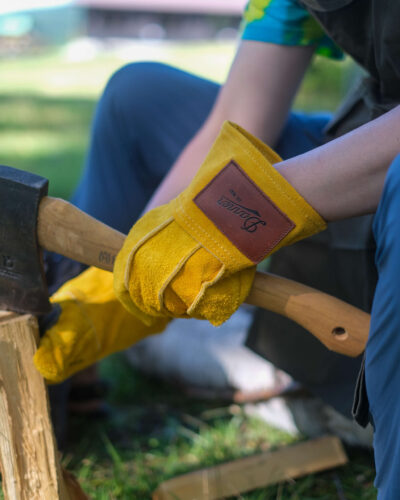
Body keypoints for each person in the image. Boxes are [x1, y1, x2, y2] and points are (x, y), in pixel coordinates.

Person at [36, 1, 400, 496]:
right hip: (367, 133)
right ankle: (59, 385)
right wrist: (130, 275)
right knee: (138, 96)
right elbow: (237, 121)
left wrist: (241, 216)